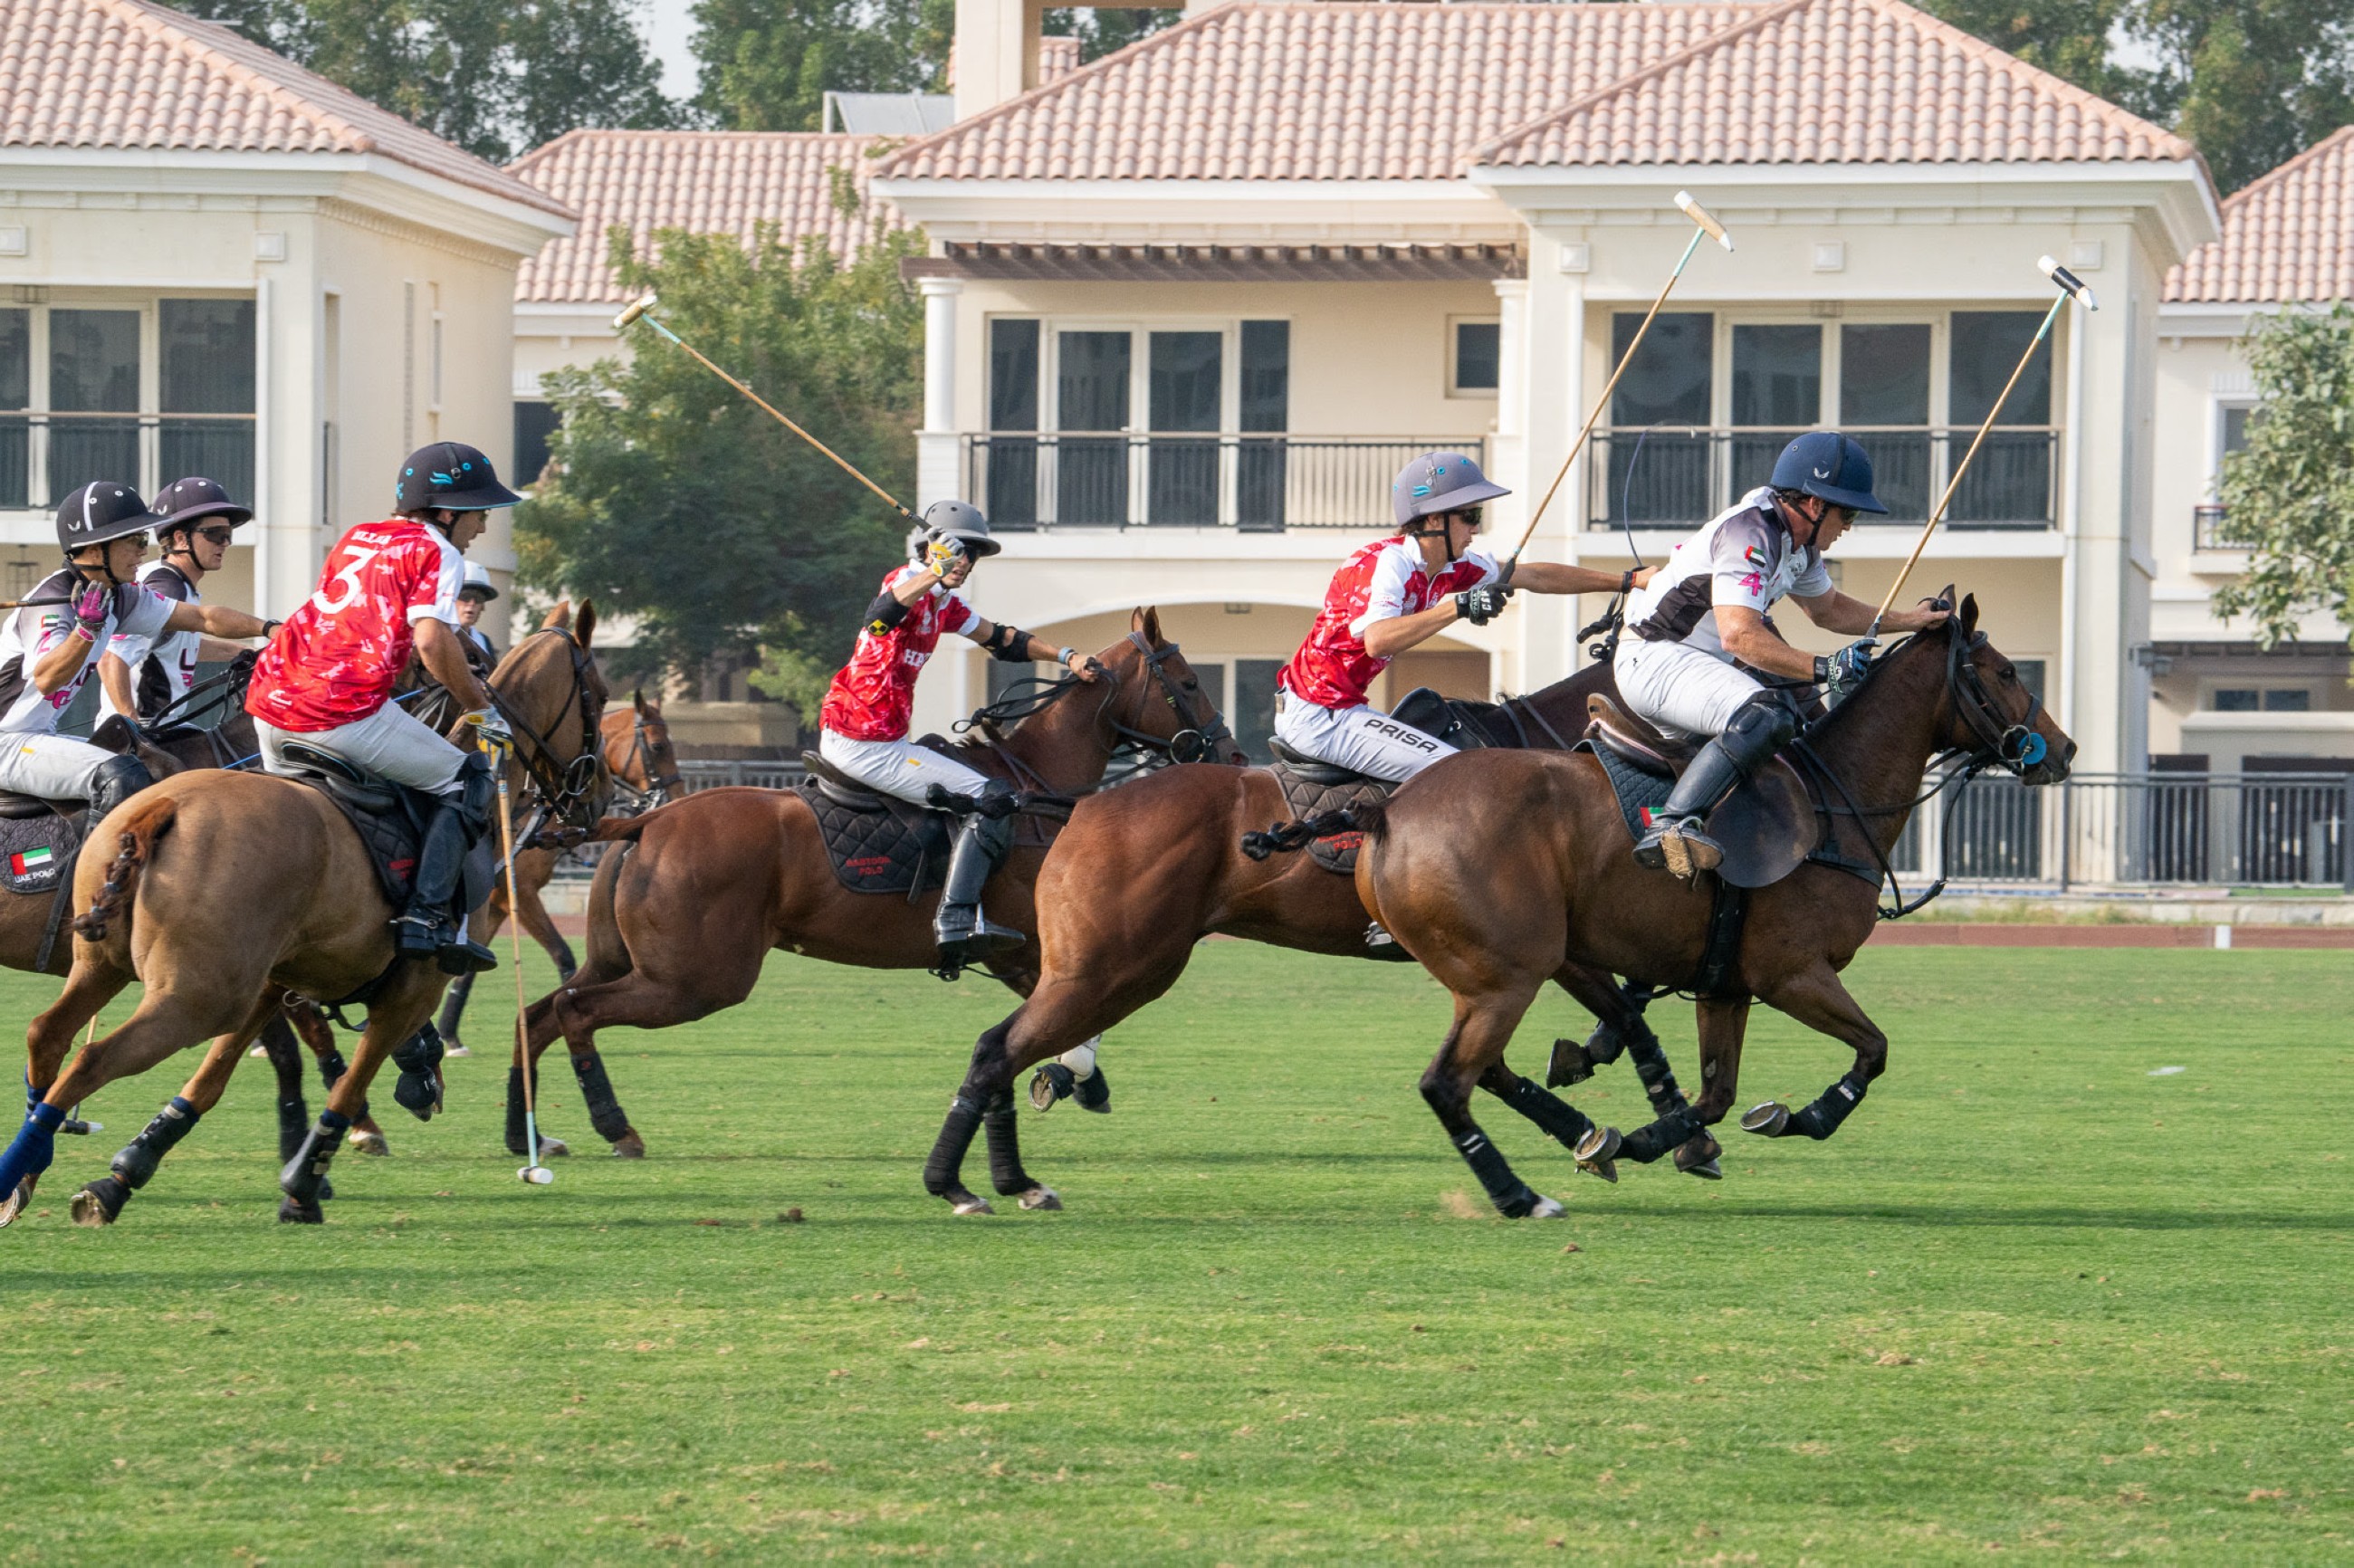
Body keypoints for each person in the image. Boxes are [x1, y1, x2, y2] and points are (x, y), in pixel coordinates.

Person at [1615, 430, 1950, 879]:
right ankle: (1671, 826)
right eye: (1846, 512)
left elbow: (1828, 610)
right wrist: (1825, 669)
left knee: (1800, 725)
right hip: (1658, 660)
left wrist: (1911, 620)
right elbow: (1740, 637)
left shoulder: (1799, 545)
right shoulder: (1749, 532)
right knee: (1769, 715)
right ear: (1814, 505)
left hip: (1694, 667)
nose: (1848, 525)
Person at [244, 442, 520, 974]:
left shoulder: (357, 537)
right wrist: (481, 708)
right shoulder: (439, 551)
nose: (483, 525)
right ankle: (424, 917)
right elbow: (432, 643)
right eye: (480, 510)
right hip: (341, 711)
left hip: (269, 706)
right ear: (446, 511)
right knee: (466, 778)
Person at [816, 500, 1103, 972]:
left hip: (886, 741)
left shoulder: (944, 604)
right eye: (961, 551)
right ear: (933, 547)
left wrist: (1066, 655)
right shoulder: (904, 583)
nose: (967, 563)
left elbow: (1002, 640)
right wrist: (932, 570)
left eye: (973, 554)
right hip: (863, 741)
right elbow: (879, 618)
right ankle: (956, 920)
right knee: (991, 796)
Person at [1274, 451, 1651, 781]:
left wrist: (1628, 580)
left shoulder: (1449, 566)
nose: (1475, 528)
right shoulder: (1388, 564)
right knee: (1459, 774)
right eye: (1469, 515)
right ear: (1435, 520)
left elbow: (1532, 574)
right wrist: (1459, 606)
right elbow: (1377, 640)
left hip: (1346, 708)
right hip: (1320, 716)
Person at [0, 482, 273, 816]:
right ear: (96, 547)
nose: (144, 550)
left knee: (159, 773)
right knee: (121, 775)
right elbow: (47, 678)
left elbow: (204, 618)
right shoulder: (51, 604)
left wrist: (272, 629)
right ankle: (84, 870)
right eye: (135, 540)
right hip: (7, 743)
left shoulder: (121, 596)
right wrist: (85, 630)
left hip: (37, 736)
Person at [97, 476, 256, 728]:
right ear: (181, 539)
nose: (225, 544)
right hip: (146, 730)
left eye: (228, 535)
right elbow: (110, 658)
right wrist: (132, 727)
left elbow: (177, 645)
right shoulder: (166, 588)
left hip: (165, 726)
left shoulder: (176, 582)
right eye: (216, 535)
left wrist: (246, 654)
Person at [454, 560, 499, 671]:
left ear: (483, 606)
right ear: (452, 599)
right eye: (466, 596)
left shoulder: (484, 642)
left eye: (478, 598)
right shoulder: (437, 637)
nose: (472, 603)